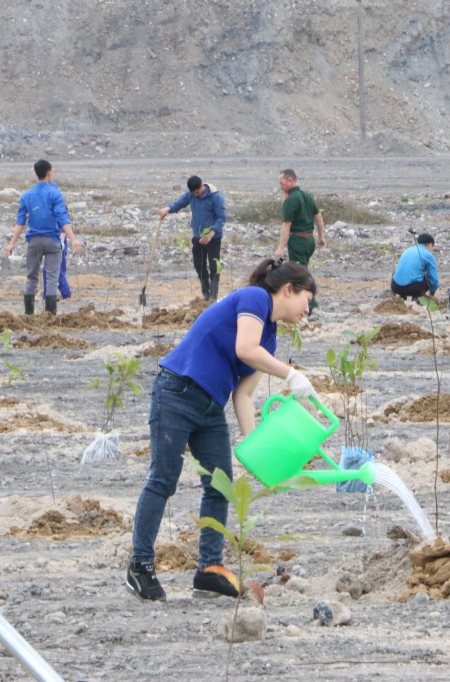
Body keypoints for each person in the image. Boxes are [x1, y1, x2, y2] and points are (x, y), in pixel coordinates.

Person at [127, 258, 319, 601]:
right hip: (176, 392)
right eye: (308, 298)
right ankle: (140, 565)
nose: (309, 308)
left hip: (210, 407)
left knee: (220, 486)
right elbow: (244, 348)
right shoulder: (255, 298)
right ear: (289, 290)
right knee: (163, 479)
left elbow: (243, 395)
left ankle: (209, 570)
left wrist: (258, 448)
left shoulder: (270, 339)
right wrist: (290, 375)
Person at [5, 159, 82, 315]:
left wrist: (11, 243)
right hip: (53, 241)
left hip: (34, 241)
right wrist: (73, 239)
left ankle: (28, 313)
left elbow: (20, 221)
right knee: (52, 277)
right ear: (49, 173)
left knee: (31, 277)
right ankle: (49, 314)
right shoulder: (55, 194)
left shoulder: (27, 196)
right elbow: (62, 217)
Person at [158, 175, 227, 302]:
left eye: (198, 192)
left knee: (213, 267)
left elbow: (221, 218)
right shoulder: (191, 195)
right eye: (193, 193)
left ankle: (213, 297)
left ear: (202, 185)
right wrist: (168, 209)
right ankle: (206, 294)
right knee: (199, 265)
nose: (196, 194)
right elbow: (179, 203)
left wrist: (211, 234)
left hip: (213, 238)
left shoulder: (215, 197)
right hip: (197, 236)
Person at [274, 169, 326, 313]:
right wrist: (321, 236)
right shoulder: (307, 196)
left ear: (290, 180)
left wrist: (280, 248)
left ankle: (312, 306)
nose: (280, 186)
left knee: (300, 275)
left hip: (298, 240)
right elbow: (319, 217)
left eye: (282, 183)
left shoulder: (291, 199)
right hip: (310, 241)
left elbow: (286, 225)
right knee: (303, 271)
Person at [391, 233, 439, 302]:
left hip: (396, 286)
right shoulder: (429, 255)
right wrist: (432, 294)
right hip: (413, 288)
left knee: (400, 273)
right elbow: (434, 280)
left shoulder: (407, 251)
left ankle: (401, 296)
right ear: (430, 244)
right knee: (428, 277)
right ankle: (417, 298)